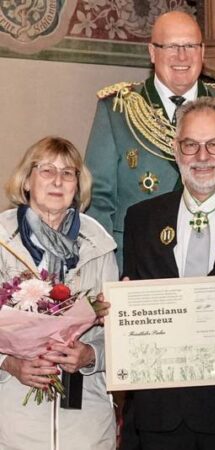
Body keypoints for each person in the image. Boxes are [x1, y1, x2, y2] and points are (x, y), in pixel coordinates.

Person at [120, 98, 215, 449]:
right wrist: (120, 311)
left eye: (214, 144)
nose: (202, 156)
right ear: (176, 151)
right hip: (159, 417)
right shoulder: (141, 219)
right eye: (191, 145)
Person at [85, 10, 215, 269]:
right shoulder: (118, 109)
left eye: (190, 46)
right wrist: (105, 267)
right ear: (152, 52)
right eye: (171, 46)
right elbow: (98, 199)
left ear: (202, 52)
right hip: (136, 260)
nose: (182, 56)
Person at [0, 137, 116, 449]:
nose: (57, 181)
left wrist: (90, 356)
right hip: (12, 419)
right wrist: (9, 363)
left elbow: (118, 333)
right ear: (27, 181)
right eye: (47, 170)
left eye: (68, 173)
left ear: (78, 185)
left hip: (86, 420)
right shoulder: (1, 240)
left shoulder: (100, 245)